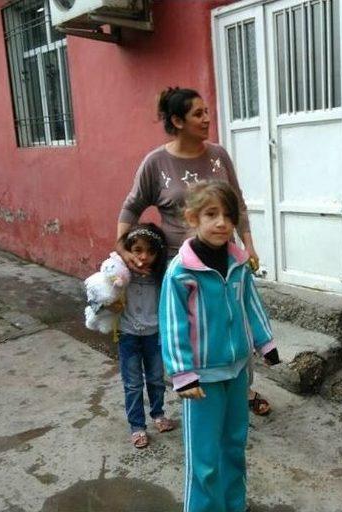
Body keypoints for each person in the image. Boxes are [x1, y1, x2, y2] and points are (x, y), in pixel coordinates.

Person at [116, 87, 273, 415]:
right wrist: (123, 250)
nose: (207, 119)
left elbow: (237, 204)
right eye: (198, 114)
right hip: (180, 263)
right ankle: (191, 386)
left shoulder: (218, 155)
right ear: (177, 120)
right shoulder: (156, 163)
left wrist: (248, 243)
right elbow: (131, 208)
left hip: (222, 259)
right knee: (186, 329)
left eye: (206, 112)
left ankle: (242, 389)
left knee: (233, 320)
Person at [159, 180, 280, 512]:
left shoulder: (238, 262)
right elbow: (173, 324)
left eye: (228, 215)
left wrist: (265, 342)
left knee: (234, 445)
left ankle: (234, 505)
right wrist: (183, 374)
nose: (221, 223)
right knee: (204, 458)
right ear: (192, 217)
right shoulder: (181, 271)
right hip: (201, 380)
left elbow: (251, 304)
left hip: (238, 370)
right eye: (211, 214)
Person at [114, 223, 175, 449]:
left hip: (155, 335)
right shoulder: (121, 273)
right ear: (129, 249)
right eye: (138, 250)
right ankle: (137, 427)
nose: (144, 257)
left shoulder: (162, 275)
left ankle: (158, 414)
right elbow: (105, 294)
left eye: (151, 251)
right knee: (132, 384)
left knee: (157, 378)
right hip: (128, 335)